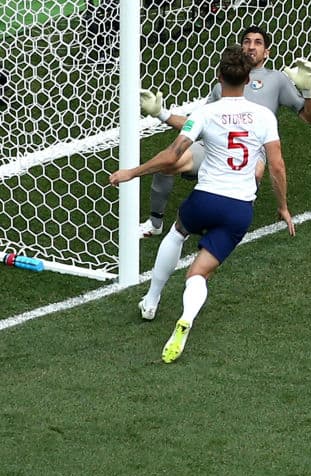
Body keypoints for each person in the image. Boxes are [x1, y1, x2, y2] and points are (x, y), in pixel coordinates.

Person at [109, 45, 296, 363]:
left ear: (218, 76)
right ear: (249, 79)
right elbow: (277, 167)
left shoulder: (206, 114)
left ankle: (152, 300)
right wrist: (282, 207)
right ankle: (186, 319)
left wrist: (131, 172)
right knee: (199, 273)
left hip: (206, 198)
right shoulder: (264, 117)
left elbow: (172, 155)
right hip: (240, 208)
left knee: (178, 231)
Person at [138, 25, 311, 238]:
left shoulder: (277, 79)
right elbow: (196, 123)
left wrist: (308, 91)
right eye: (246, 42)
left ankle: (229, 219)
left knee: (255, 172)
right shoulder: (223, 82)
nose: (251, 47)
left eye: (258, 43)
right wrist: (161, 113)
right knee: (168, 163)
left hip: (250, 149)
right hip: (213, 145)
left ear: (267, 52)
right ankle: (155, 223)